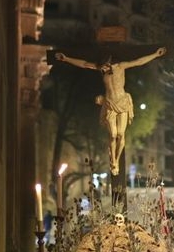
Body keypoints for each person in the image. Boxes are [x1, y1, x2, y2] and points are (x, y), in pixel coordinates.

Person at [53, 46, 167, 175]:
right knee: (112, 135)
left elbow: (138, 61)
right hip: (109, 103)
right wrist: (66, 59)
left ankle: (116, 162)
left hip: (122, 103)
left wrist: (155, 55)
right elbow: (84, 64)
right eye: (102, 68)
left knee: (120, 134)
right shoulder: (101, 68)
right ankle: (113, 160)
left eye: (105, 67)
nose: (103, 69)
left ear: (110, 63)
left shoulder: (121, 66)